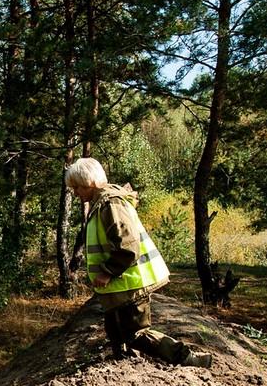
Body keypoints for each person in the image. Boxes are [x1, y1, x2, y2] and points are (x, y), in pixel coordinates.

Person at [67, 157, 212, 368]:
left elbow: (128, 246)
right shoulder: (101, 204)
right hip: (120, 285)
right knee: (116, 332)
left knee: (136, 333)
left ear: (90, 183)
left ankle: (189, 359)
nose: (75, 193)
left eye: (77, 187)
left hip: (130, 283)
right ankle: (126, 366)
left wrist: (107, 272)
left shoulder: (111, 205)